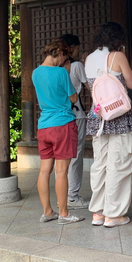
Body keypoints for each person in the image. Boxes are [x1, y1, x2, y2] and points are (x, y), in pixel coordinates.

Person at [84, 22, 132, 228]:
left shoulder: (88, 59)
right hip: (120, 118)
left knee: (100, 165)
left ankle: (98, 212)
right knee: (120, 165)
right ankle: (114, 215)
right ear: (118, 39)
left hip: (98, 118)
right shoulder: (118, 56)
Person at [32, 39, 85, 225]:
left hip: (44, 126)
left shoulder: (35, 73)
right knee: (62, 171)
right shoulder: (62, 72)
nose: (64, 61)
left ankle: (47, 212)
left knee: (44, 171)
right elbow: (73, 96)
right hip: (62, 124)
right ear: (59, 54)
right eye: (64, 56)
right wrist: (68, 73)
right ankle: (64, 213)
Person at [59, 33, 90, 210]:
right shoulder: (77, 66)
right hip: (76, 115)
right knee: (76, 155)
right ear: (72, 48)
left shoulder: (56, 68)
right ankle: (73, 196)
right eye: (77, 47)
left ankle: (65, 195)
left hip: (61, 116)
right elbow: (89, 86)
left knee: (63, 156)